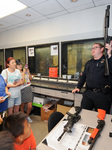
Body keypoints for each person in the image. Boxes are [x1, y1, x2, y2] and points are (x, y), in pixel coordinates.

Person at [72, 43, 112, 114]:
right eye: (92, 48)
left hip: (102, 96)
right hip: (88, 94)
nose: (93, 49)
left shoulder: (107, 61)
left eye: (95, 47)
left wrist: (109, 54)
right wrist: (78, 87)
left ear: (102, 49)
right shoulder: (89, 63)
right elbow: (84, 76)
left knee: (102, 118)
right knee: (83, 114)